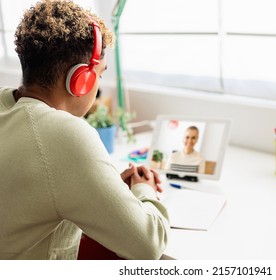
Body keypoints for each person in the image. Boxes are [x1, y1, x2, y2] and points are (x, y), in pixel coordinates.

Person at [0, 0, 169, 260]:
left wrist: (102, 187)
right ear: (81, 80)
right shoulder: (64, 134)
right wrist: (145, 189)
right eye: (99, 74)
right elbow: (149, 244)